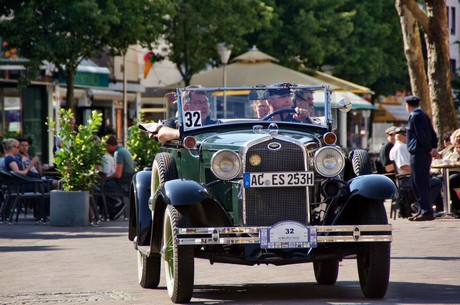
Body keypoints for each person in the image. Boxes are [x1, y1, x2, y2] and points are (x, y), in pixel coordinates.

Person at [389, 127, 442, 214]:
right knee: (437, 182)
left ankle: (431, 207)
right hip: (406, 179)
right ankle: (422, 206)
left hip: (409, 177)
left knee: (436, 180)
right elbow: (404, 167)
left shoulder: (401, 146)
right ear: (401, 136)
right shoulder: (400, 148)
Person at [405, 95, 440, 221]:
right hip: (424, 153)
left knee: (419, 183)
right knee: (423, 182)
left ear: (408, 105)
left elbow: (421, 136)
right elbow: (432, 134)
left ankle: (426, 211)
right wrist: (433, 147)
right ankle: (423, 209)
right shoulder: (424, 115)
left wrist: (430, 148)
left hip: (418, 153)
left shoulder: (414, 116)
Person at [104, 135, 136, 220]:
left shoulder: (118, 153)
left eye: (107, 146)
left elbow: (118, 174)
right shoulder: (123, 150)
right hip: (129, 180)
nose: (106, 149)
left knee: (105, 185)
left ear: (111, 145)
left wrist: (107, 177)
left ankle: (116, 205)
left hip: (124, 182)